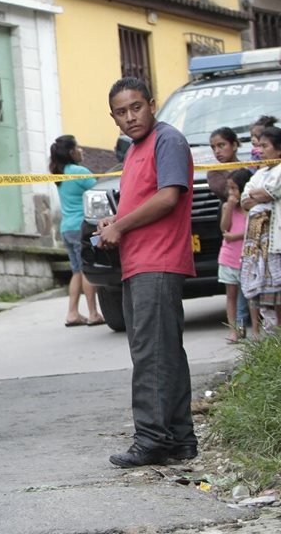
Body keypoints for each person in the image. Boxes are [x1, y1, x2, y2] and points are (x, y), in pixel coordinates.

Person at [96, 77, 197, 467]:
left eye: (136, 107)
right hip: (138, 262)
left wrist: (120, 226)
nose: (130, 117)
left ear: (152, 104)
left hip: (158, 261)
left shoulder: (167, 140)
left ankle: (152, 439)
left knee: (151, 355)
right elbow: (140, 204)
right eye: (121, 112)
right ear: (114, 118)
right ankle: (180, 439)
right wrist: (112, 224)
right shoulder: (136, 150)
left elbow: (169, 197)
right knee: (165, 352)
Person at [49, 135, 102, 327]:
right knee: (88, 269)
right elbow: (100, 190)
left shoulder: (59, 173)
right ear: (71, 152)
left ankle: (72, 313)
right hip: (82, 229)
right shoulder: (80, 172)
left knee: (77, 271)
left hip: (66, 230)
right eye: (78, 147)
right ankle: (93, 313)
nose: (82, 151)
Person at [240, 126, 281, 339]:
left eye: (265, 146)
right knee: (269, 297)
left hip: (277, 240)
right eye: (259, 146)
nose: (260, 151)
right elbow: (244, 198)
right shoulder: (261, 173)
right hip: (262, 247)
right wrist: (258, 195)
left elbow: (270, 191)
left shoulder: (279, 170)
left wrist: (259, 195)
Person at [219, 169, 251, 343]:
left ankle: (250, 327)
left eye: (235, 189)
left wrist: (237, 237)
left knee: (249, 296)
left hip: (247, 257)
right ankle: (234, 330)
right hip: (229, 258)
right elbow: (224, 228)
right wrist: (229, 207)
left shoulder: (249, 208)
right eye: (229, 189)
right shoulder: (227, 206)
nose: (231, 193)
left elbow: (251, 230)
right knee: (231, 295)